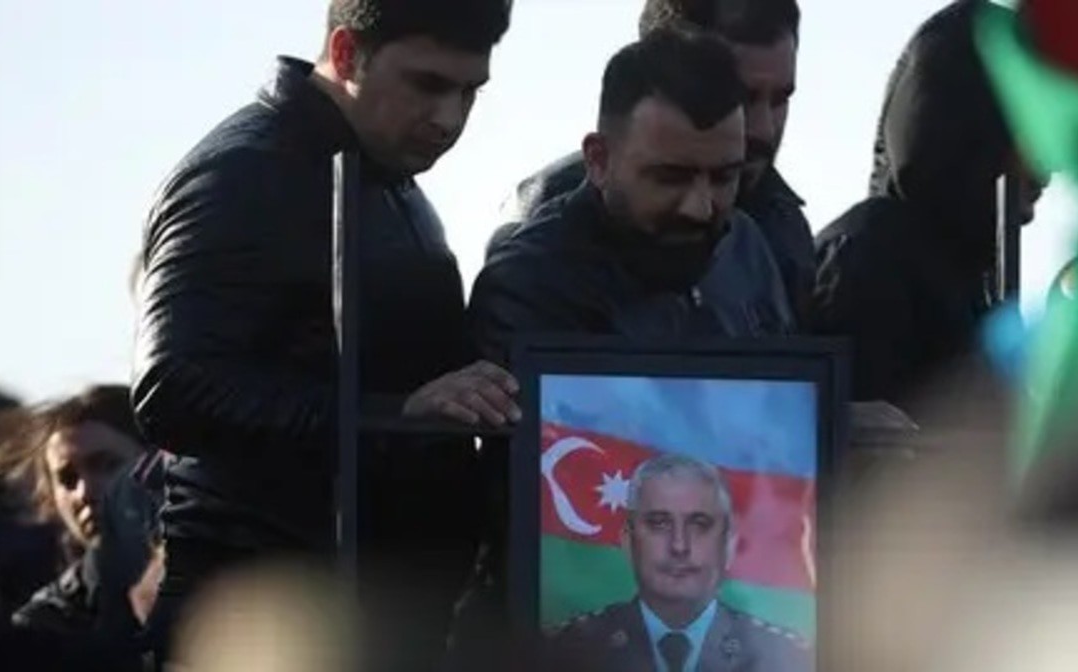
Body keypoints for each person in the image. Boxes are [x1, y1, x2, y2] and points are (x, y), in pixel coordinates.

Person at [130, 1, 516, 669]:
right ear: (345, 54)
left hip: (372, 621)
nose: (451, 119)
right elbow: (174, 388)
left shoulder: (384, 175)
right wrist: (390, 416)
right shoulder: (245, 174)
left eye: (471, 92)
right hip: (262, 622)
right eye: (426, 84)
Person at [452, 29, 796, 670]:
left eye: (724, 176)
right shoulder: (530, 279)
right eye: (670, 177)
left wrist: (825, 420)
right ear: (600, 159)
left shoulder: (746, 248)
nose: (702, 207)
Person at [488, 0, 816, 327]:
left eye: (780, 99)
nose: (762, 129)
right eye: (741, 97)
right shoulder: (536, 269)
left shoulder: (764, 240)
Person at [807, 0, 1048, 417]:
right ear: (983, 129)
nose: (1053, 162)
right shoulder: (869, 261)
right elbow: (867, 463)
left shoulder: (965, 277)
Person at [544, 454, 812, 672]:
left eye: (699, 524)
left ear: (728, 545)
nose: (679, 546)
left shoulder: (791, 659)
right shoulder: (561, 649)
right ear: (627, 542)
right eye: (659, 524)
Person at [0, 385, 161, 672]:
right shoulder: (48, 625)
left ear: (156, 465)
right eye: (67, 478)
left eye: (107, 465)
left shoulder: (232, 572)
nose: (85, 492)